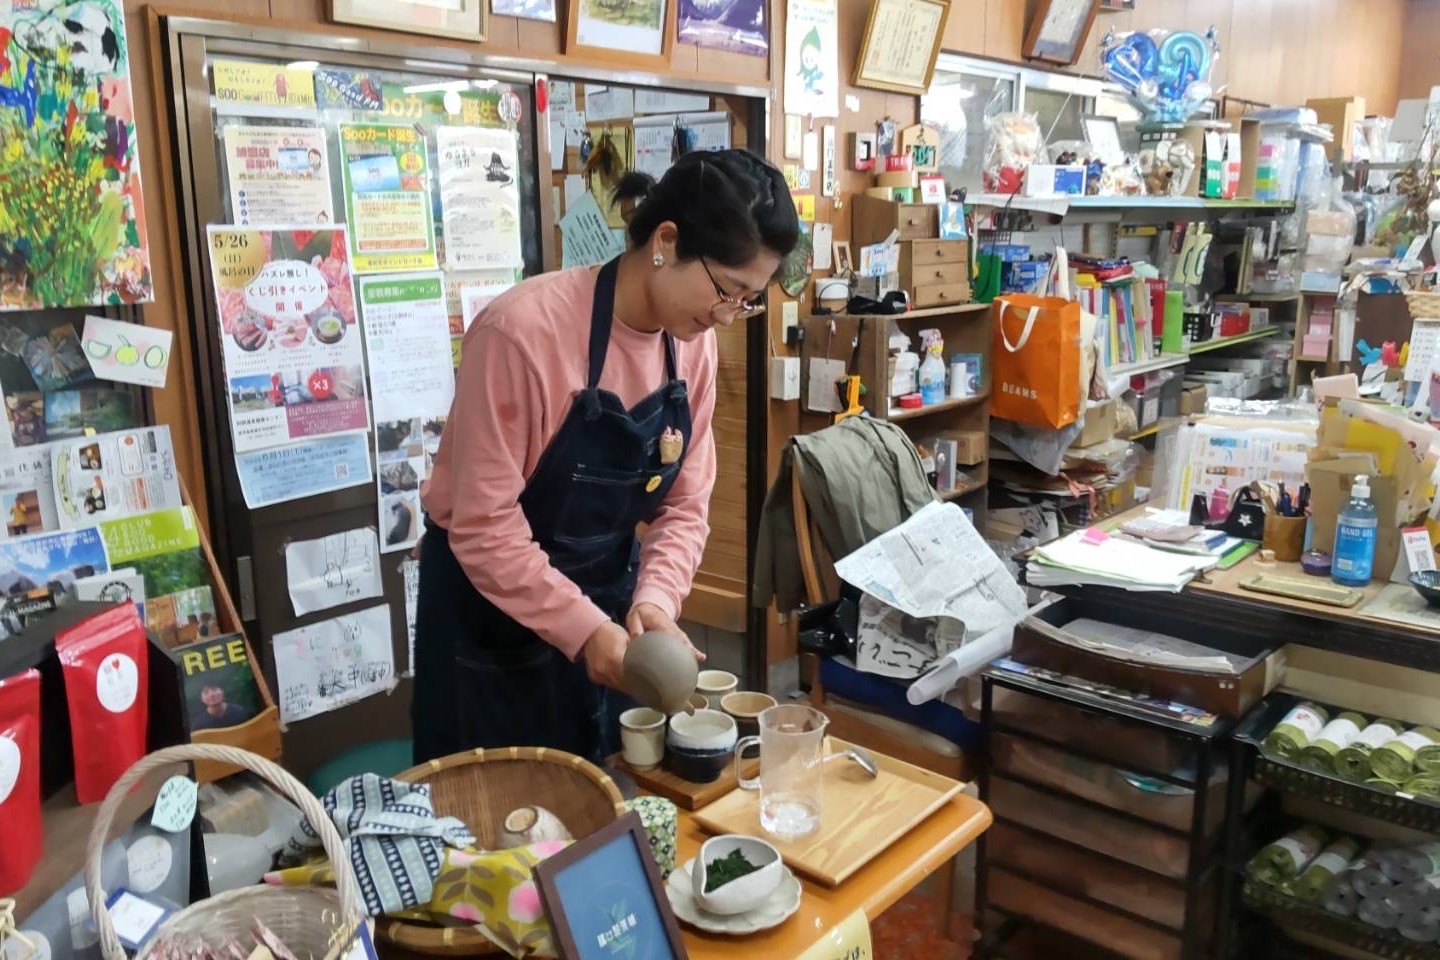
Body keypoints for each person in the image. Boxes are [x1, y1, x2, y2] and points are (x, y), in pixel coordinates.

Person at [413, 149, 798, 765]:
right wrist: (583, 628)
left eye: (748, 302)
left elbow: (686, 505)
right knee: (495, 842)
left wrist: (655, 602)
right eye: (730, 291)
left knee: (600, 811)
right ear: (666, 241)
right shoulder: (520, 335)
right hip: (490, 631)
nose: (728, 317)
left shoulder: (690, 349)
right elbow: (483, 524)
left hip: (608, 617)